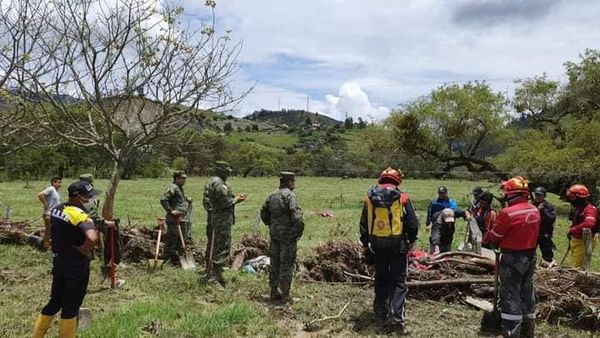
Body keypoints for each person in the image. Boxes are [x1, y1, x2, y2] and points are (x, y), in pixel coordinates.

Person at [32, 181, 100, 338]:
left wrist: (47, 239)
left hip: (59, 263)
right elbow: (92, 238)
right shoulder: (80, 215)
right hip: (76, 268)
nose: (91, 199)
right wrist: (83, 250)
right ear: (78, 197)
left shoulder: (57, 209)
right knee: (70, 307)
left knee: (54, 302)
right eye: (88, 196)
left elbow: (48, 222)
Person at [359, 167, 419, 332]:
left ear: (381, 179)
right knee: (399, 281)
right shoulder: (403, 198)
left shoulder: (369, 198)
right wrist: (411, 241)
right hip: (398, 245)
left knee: (381, 278)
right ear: (397, 181)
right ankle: (396, 317)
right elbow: (413, 223)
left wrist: (366, 244)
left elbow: (364, 224)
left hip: (377, 245)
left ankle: (380, 313)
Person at [483, 176, 540, 338]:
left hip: (512, 258)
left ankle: (511, 331)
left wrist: (489, 234)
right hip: (530, 256)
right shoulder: (534, 210)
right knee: (527, 291)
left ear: (510, 194)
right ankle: (528, 330)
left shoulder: (508, 213)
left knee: (510, 293)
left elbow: (495, 236)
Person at [260, 172, 304, 303]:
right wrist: (298, 231)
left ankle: (273, 293)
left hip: (275, 235)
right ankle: (284, 295)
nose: (294, 184)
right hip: (288, 237)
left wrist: (271, 224)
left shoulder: (272, 195)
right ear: (289, 182)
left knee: (275, 263)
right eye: (293, 181)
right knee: (286, 265)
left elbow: (263, 212)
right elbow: (297, 216)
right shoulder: (290, 196)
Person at [203, 161, 246, 285]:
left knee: (215, 244)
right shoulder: (219, 184)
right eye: (227, 171)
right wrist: (236, 199)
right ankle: (216, 276)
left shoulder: (212, 181)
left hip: (216, 218)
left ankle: (213, 271)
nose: (228, 173)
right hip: (222, 220)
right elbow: (225, 202)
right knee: (222, 246)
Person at [160, 171, 192, 265]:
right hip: (174, 219)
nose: (184, 180)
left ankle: (178, 260)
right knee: (172, 239)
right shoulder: (172, 187)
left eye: (185, 178)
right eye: (182, 178)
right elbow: (164, 199)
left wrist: (186, 199)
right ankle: (167, 259)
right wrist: (171, 211)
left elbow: (177, 199)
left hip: (182, 218)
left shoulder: (180, 188)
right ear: (176, 178)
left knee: (181, 240)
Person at [565, 184, 598, 269]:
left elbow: (589, 224)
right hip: (577, 240)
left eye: (572, 197)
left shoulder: (590, 209)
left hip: (583, 241)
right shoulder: (579, 207)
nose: (571, 200)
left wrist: (573, 230)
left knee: (575, 267)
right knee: (575, 263)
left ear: (578, 198)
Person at [531, 187, 557, 266]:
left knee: (547, 254)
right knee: (530, 253)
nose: (537, 197)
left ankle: (547, 267)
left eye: (540, 195)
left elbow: (551, 219)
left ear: (544, 196)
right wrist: (537, 210)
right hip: (533, 233)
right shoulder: (531, 205)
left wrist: (543, 211)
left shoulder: (550, 206)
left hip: (545, 234)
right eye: (536, 195)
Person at [37, 176, 62, 249]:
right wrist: (45, 203)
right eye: (59, 182)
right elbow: (40, 194)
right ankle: (45, 245)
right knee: (48, 230)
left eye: (61, 182)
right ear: (53, 183)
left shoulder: (56, 191)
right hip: (48, 213)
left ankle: (51, 243)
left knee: (53, 230)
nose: (60, 184)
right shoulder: (51, 189)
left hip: (54, 214)